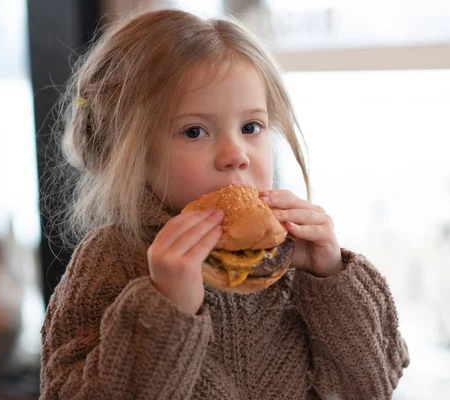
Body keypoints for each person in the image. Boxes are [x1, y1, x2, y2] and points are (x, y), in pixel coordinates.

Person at [40, 8, 409, 399]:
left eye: (251, 127)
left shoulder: (292, 260)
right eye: (194, 131)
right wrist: (166, 308)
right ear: (130, 152)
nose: (236, 154)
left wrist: (332, 277)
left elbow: (372, 386)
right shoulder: (112, 258)